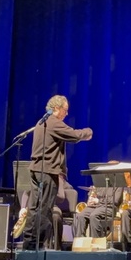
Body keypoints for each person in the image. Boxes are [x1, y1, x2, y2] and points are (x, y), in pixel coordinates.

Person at [25, 95, 93, 251]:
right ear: (56, 108)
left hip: (36, 169)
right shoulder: (53, 122)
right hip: (47, 171)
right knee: (44, 209)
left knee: (35, 208)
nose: (66, 114)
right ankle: (39, 246)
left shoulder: (41, 122)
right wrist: (88, 132)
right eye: (65, 110)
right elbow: (74, 135)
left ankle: (30, 244)